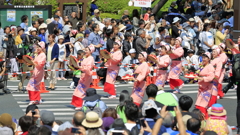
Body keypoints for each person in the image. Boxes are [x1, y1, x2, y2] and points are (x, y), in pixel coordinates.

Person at [71, 45, 95, 110]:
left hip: (87, 76)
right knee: (80, 90)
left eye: (87, 50)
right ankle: (82, 103)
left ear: (91, 51)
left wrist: (81, 68)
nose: (85, 51)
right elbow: (80, 64)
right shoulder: (85, 57)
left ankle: (80, 104)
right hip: (83, 75)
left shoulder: (91, 58)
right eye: (85, 50)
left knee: (81, 90)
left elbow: (88, 68)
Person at [195, 52, 215, 118]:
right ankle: (201, 118)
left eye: (205, 58)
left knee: (203, 105)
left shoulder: (210, 67)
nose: (203, 59)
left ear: (209, 59)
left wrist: (202, 78)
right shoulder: (202, 66)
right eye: (203, 58)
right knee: (198, 103)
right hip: (201, 87)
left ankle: (204, 119)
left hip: (207, 88)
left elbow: (211, 77)